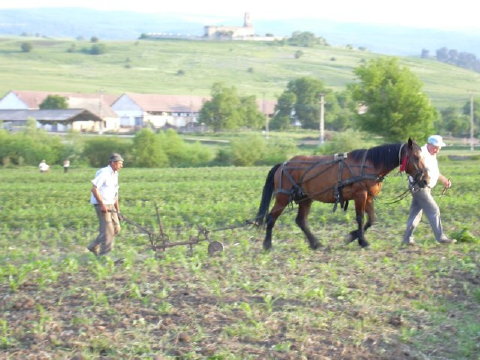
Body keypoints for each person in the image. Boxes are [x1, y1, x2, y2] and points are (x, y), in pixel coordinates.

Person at [403, 135, 456, 245]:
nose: (438, 150)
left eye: (439, 148)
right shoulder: (420, 153)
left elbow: (434, 173)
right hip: (419, 187)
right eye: (436, 147)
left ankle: (407, 239)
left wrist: (444, 180)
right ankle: (441, 237)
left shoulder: (432, 155)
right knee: (434, 210)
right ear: (429, 145)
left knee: (415, 213)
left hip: (425, 188)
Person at [87, 153, 124, 256]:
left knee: (116, 229)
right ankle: (105, 256)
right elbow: (94, 189)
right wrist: (102, 205)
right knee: (108, 232)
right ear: (113, 163)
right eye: (120, 163)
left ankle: (93, 245)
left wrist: (118, 210)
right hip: (102, 205)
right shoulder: (104, 173)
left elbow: (115, 194)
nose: (121, 166)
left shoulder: (115, 174)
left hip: (111, 204)